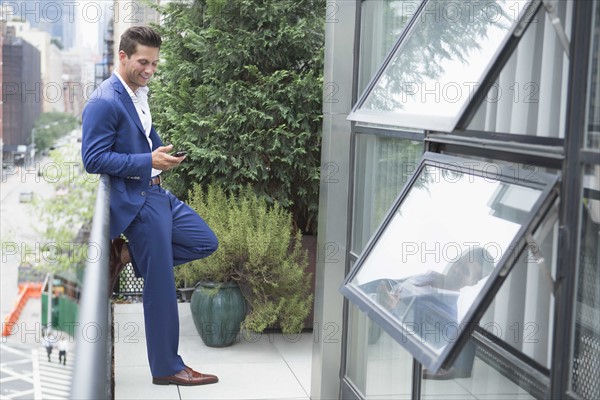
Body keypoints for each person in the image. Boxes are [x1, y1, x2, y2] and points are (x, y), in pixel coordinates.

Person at [81, 26, 219, 386]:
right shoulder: (103, 101)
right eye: (144, 62)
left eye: (155, 63)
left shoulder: (138, 91)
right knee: (160, 285)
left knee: (206, 241)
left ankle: (125, 254)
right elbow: (93, 159)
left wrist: (161, 159)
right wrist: (146, 161)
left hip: (158, 193)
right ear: (123, 56)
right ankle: (167, 367)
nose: (150, 70)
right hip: (138, 203)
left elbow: (141, 140)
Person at [364, 246, 494, 380]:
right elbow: (394, 285)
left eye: (465, 271)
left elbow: (407, 338)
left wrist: (390, 310)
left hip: (366, 324)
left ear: (472, 283)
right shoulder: (430, 275)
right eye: (459, 263)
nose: (456, 270)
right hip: (362, 297)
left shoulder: (446, 319)